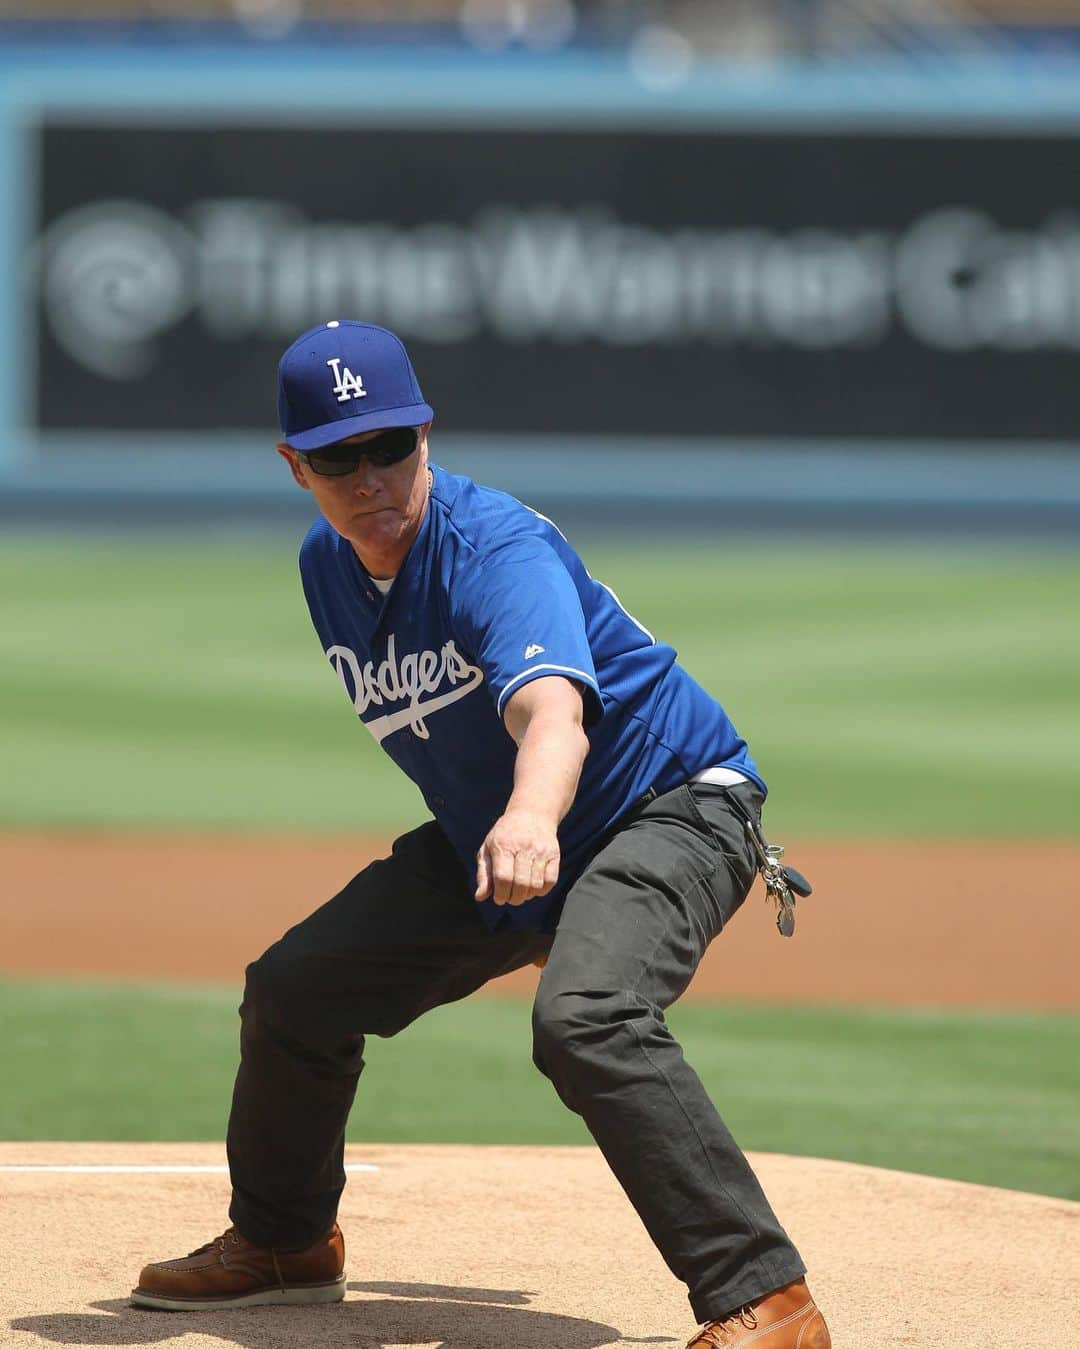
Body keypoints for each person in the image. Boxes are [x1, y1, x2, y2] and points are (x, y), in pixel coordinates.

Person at [131, 320, 830, 1349]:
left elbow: (552, 708)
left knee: (586, 1015)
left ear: (426, 433)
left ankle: (770, 1299)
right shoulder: (327, 567)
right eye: (337, 455)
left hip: (669, 805)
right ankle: (284, 1241)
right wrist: (514, 830)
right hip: (503, 838)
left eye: (390, 446)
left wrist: (531, 815)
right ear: (295, 466)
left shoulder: (493, 545)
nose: (369, 476)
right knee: (296, 989)